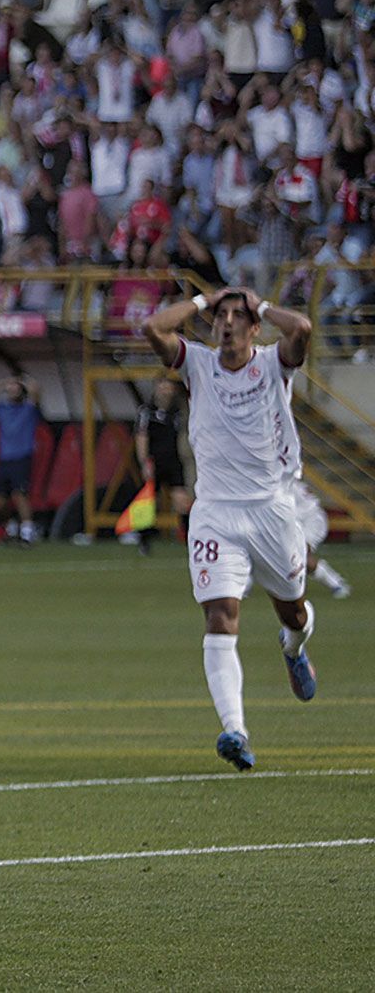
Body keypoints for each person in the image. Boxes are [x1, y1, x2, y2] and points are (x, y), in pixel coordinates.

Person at [143, 287, 318, 771]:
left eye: (239, 317)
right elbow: (154, 328)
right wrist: (203, 299)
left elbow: (301, 328)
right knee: (220, 616)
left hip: (270, 511)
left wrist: (258, 303)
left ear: (255, 327)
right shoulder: (197, 364)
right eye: (223, 317)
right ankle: (235, 730)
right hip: (216, 513)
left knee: (294, 613)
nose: (228, 323)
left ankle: (294, 648)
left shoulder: (271, 363)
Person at [0, 375, 44, 547]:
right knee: (0, 501)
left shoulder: (28, 409)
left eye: (15, 389)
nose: (12, 391)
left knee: (20, 495)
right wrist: (4, 382)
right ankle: (10, 527)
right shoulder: (3, 409)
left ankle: (27, 532)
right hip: (5, 459)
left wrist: (22, 380)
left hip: (22, 457)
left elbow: (36, 390)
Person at [134, 378, 190, 555]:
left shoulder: (178, 412)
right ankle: (143, 540)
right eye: (162, 387)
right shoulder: (147, 411)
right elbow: (141, 437)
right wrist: (144, 462)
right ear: (156, 389)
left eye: (169, 387)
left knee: (182, 501)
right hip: (154, 463)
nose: (166, 391)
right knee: (149, 503)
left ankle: (190, 539)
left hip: (174, 462)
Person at [293, 477, 353, 599]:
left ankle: (337, 583)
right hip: (301, 520)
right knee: (296, 557)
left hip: (312, 520)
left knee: (301, 555)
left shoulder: (279, 485)